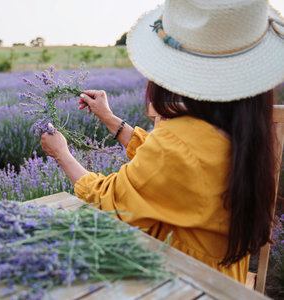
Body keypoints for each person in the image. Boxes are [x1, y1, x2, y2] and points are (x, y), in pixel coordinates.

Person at [40, 0, 284, 284]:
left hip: (185, 281)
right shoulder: (245, 131)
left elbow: (109, 201)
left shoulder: (178, 142)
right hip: (230, 280)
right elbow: (175, 165)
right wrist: (109, 118)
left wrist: (62, 155)